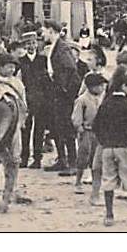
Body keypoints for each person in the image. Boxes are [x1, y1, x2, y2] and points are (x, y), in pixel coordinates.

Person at [92, 68, 127, 226]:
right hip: (124, 147)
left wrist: (104, 141)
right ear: (124, 86)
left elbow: (97, 126)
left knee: (108, 180)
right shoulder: (126, 105)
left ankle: (109, 215)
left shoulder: (106, 103)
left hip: (108, 148)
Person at [42, 19, 79, 176]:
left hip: (63, 96)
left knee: (66, 128)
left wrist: (62, 88)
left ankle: (73, 163)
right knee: (57, 127)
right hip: (56, 94)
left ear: (51, 30)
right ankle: (62, 160)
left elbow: (69, 69)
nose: (42, 33)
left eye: (44, 30)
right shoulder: (55, 47)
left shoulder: (62, 49)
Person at [0, 52, 26, 193]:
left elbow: (23, 103)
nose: (11, 70)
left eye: (13, 67)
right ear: (0, 67)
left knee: (15, 156)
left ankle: (13, 183)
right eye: (8, 67)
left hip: (15, 124)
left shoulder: (17, 83)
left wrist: (22, 121)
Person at [17, 31, 51, 169]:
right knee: (25, 130)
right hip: (27, 100)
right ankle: (24, 158)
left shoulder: (43, 60)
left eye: (33, 43)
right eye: (28, 44)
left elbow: (48, 80)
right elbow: (19, 81)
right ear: (25, 46)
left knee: (39, 130)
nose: (31, 46)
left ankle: (37, 159)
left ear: (37, 44)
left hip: (41, 100)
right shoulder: (21, 62)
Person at [72, 72, 107, 197]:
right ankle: (78, 181)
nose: (102, 89)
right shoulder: (82, 99)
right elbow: (76, 117)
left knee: (96, 158)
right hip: (86, 131)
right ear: (91, 87)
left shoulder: (102, 99)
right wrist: (79, 128)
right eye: (100, 86)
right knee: (83, 157)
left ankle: (95, 183)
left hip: (99, 132)